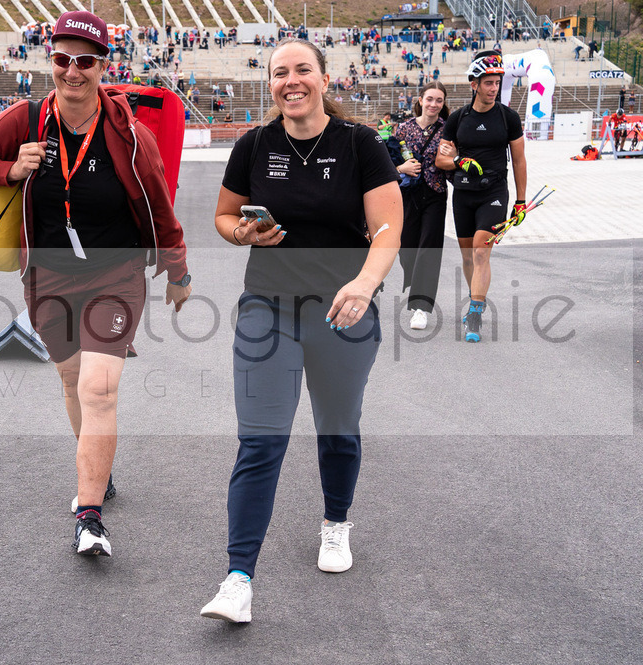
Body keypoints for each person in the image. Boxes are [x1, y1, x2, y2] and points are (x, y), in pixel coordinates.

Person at [0, 10, 191, 559]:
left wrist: (178, 271)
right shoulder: (25, 119)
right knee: (71, 380)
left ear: (103, 66)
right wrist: (11, 170)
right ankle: (98, 467)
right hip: (49, 276)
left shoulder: (129, 133)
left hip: (116, 275)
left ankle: (90, 516)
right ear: (51, 61)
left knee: (99, 389)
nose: (73, 70)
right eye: (62, 58)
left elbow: (160, 207)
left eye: (85, 60)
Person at [199, 38, 401, 623]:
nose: (292, 80)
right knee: (260, 440)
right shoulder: (254, 145)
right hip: (267, 307)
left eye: (303, 69)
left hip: (343, 310)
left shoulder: (360, 143)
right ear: (271, 83)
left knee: (337, 429)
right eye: (280, 72)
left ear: (324, 78)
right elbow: (224, 216)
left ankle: (336, 522)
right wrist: (243, 233)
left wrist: (364, 283)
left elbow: (388, 228)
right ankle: (238, 579)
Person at [436, 50, 526, 343]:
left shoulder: (508, 117)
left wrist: (521, 201)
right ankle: (477, 295)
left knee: (480, 251)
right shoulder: (458, 118)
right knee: (467, 257)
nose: (493, 88)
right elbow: (441, 160)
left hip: (494, 192)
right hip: (463, 193)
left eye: (497, 83)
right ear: (474, 84)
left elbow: (519, 160)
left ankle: (475, 311)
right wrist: (460, 161)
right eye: (488, 83)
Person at [394, 82, 450, 330]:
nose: (433, 104)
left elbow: (452, 163)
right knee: (406, 248)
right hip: (408, 194)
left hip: (435, 193)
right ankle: (414, 281)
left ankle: (420, 308)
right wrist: (401, 168)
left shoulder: (447, 130)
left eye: (439, 100)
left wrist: (453, 157)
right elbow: (387, 160)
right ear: (420, 100)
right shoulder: (404, 128)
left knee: (429, 249)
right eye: (430, 99)